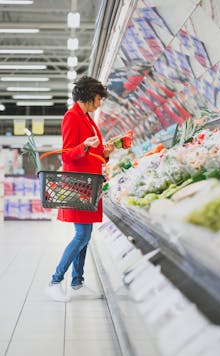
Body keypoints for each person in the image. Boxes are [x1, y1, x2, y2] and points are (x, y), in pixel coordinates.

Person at [46, 76, 114, 302]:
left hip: (90, 184)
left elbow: (92, 150)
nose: (100, 103)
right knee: (82, 235)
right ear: (89, 96)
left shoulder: (87, 118)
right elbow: (66, 154)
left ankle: (77, 282)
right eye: (98, 98)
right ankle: (55, 281)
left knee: (85, 235)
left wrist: (106, 151)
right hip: (78, 185)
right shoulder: (72, 117)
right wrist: (84, 146)